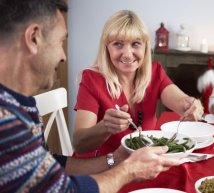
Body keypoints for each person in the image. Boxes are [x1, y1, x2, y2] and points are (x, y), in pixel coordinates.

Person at [0, 1, 180, 193]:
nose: (64, 56)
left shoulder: (21, 106)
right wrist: (128, 170)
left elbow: (51, 163)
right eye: (60, 42)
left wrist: (118, 158)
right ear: (33, 38)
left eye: (136, 44)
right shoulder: (6, 122)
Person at [72, 10, 204, 157]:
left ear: (146, 47)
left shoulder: (155, 72)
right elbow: (79, 144)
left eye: (136, 44)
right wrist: (105, 127)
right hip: (103, 168)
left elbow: (180, 101)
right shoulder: (92, 79)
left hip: (141, 166)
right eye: (118, 44)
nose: (128, 54)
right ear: (106, 47)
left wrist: (191, 104)